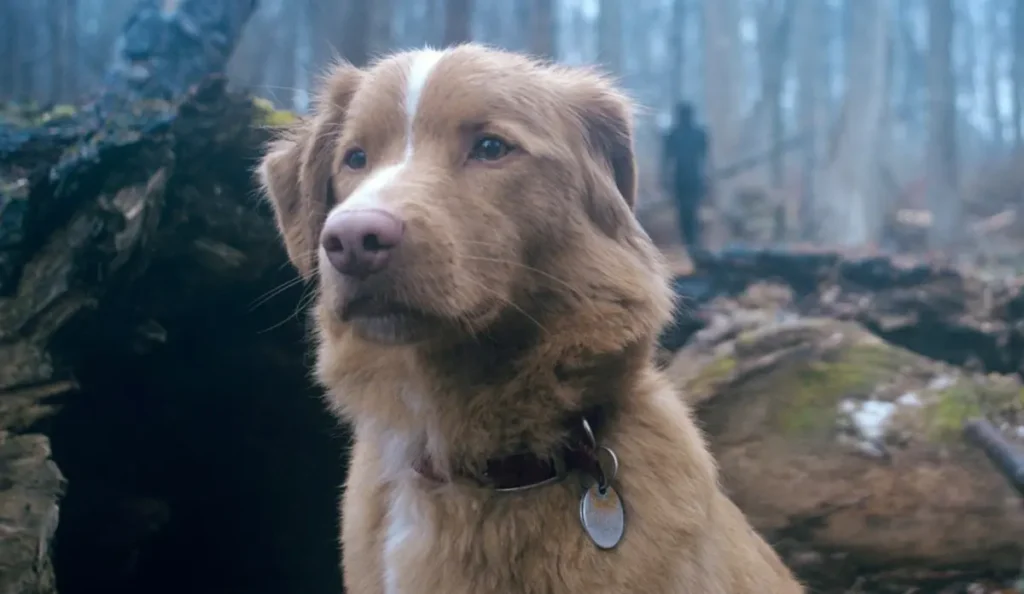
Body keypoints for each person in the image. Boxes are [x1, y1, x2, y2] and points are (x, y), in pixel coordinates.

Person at [662, 102, 709, 249]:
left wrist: (664, 177)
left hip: (686, 177)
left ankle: (691, 241)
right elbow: (666, 159)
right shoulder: (696, 134)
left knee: (688, 210)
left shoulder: (675, 134)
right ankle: (690, 241)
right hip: (688, 177)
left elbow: (705, 159)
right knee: (687, 210)